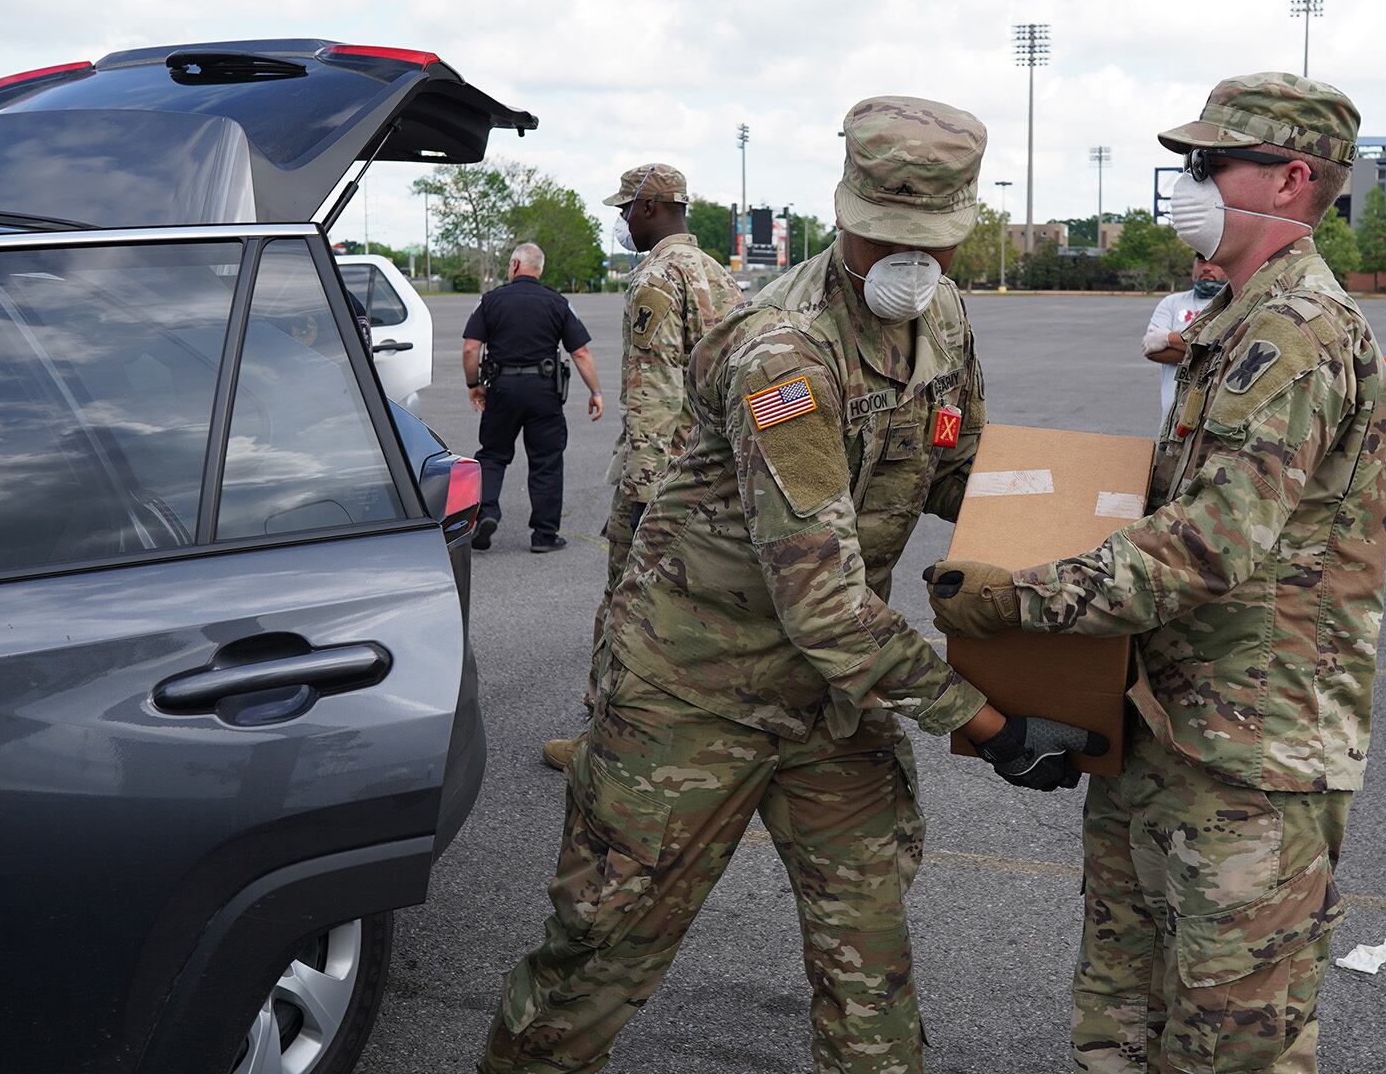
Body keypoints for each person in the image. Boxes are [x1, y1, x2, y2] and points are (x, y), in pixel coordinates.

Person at [478, 96, 1102, 1074]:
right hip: (692, 689)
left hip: (828, 697)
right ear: (842, 205)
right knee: (599, 952)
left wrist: (1083, 534)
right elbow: (821, 601)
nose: (910, 259)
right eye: (887, 233)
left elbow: (952, 472)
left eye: (931, 239)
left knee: (870, 955)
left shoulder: (941, 320)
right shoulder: (783, 353)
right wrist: (991, 725)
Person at [924, 72, 1386, 1074]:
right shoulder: (1231, 320)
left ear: (1292, 178)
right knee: (1121, 1010)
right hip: (1162, 723)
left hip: (1250, 755)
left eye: (1213, 163)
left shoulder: (1295, 331)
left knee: (1231, 1035)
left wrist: (1024, 598)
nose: (1190, 181)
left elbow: (1212, 541)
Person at [540, 163, 742, 772]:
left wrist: (642, 486)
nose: (623, 221)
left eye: (626, 209)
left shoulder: (656, 276)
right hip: (714, 466)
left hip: (662, 472)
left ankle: (607, 731)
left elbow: (651, 389)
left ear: (651, 208)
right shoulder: (717, 276)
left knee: (627, 599)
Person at [462, 243, 603, 554]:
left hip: (502, 389)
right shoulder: (558, 302)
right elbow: (580, 352)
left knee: (493, 455)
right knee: (546, 461)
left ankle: (486, 513)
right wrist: (595, 391)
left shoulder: (490, 300)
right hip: (544, 392)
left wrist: (474, 384)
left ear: (515, 264)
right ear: (540, 269)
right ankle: (544, 535)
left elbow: (471, 348)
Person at [1142, 260, 1226, 425]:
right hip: (1171, 421)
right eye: (1201, 261)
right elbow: (1153, 351)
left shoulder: (1236, 302)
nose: (1207, 268)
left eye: (1214, 262)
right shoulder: (1172, 302)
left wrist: (1169, 338)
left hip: (1213, 421)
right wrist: (1211, 351)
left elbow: (1229, 351)